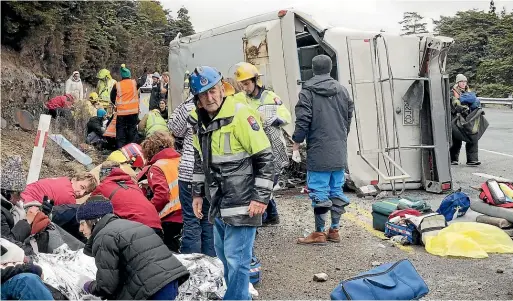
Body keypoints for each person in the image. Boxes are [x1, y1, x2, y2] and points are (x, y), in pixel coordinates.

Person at [188, 66, 274, 300]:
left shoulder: (240, 115)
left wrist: (260, 197)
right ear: (197, 99)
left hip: (243, 200)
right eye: (204, 94)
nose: (210, 97)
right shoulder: (200, 121)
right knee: (224, 258)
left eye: (213, 90)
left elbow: (265, 157)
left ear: (222, 89)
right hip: (218, 202)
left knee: (237, 260)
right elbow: (200, 160)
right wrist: (197, 193)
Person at [292, 55, 354, 245]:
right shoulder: (343, 91)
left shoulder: (307, 92)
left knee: (319, 192)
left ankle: (319, 233)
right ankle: (334, 230)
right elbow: (348, 117)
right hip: (338, 150)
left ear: (312, 68)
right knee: (336, 190)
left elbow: (303, 120)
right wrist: (341, 137)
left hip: (318, 151)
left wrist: (296, 142)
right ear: (330, 69)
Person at [75, 197, 189, 300]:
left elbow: (107, 286)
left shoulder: (103, 237)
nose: (80, 229)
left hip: (152, 288)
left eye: (82, 223)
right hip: (170, 280)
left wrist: (87, 285)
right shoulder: (131, 225)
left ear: (93, 220)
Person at [234, 62, 291, 225]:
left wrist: (270, 119)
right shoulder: (241, 99)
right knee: (260, 182)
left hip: (272, 147)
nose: (244, 87)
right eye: (241, 84)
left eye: (246, 83)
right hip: (253, 147)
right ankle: (271, 215)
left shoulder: (271, 97)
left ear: (255, 80)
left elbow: (286, 116)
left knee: (267, 181)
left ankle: (266, 216)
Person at [169, 95, 215, 256]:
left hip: (189, 171)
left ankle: (193, 268)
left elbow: (175, 128)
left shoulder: (191, 105)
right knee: (209, 221)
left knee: (191, 220)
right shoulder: (221, 103)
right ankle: (212, 264)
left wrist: (186, 100)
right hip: (211, 171)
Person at [139, 131, 183, 252]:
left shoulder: (157, 167)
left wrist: (149, 209)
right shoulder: (180, 160)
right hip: (188, 212)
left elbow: (162, 195)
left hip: (170, 216)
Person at [90, 161, 162, 234]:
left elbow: (88, 208)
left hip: (137, 226)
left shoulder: (103, 187)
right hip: (157, 224)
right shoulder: (133, 185)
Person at [450, 74, 480, 166]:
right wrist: (463, 107)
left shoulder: (469, 92)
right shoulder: (452, 92)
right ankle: (453, 159)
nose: (463, 83)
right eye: (461, 82)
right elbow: (454, 104)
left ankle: (472, 160)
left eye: (465, 82)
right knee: (456, 139)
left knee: (473, 136)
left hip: (468, 118)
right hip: (455, 118)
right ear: (457, 83)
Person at [20, 173, 97, 206]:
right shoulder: (69, 197)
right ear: (75, 179)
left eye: (85, 193)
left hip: (21, 193)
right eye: (82, 187)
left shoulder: (63, 180)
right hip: (26, 205)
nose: (81, 193)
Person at [110, 64, 140, 148]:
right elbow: (143, 82)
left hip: (121, 113)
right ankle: (132, 150)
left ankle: (120, 149)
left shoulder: (117, 85)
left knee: (120, 132)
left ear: (122, 76)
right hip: (133, 112)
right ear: (129, 75)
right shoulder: (134, 83)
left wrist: (116, 104)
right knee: (132, 131)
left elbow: (112, 97)